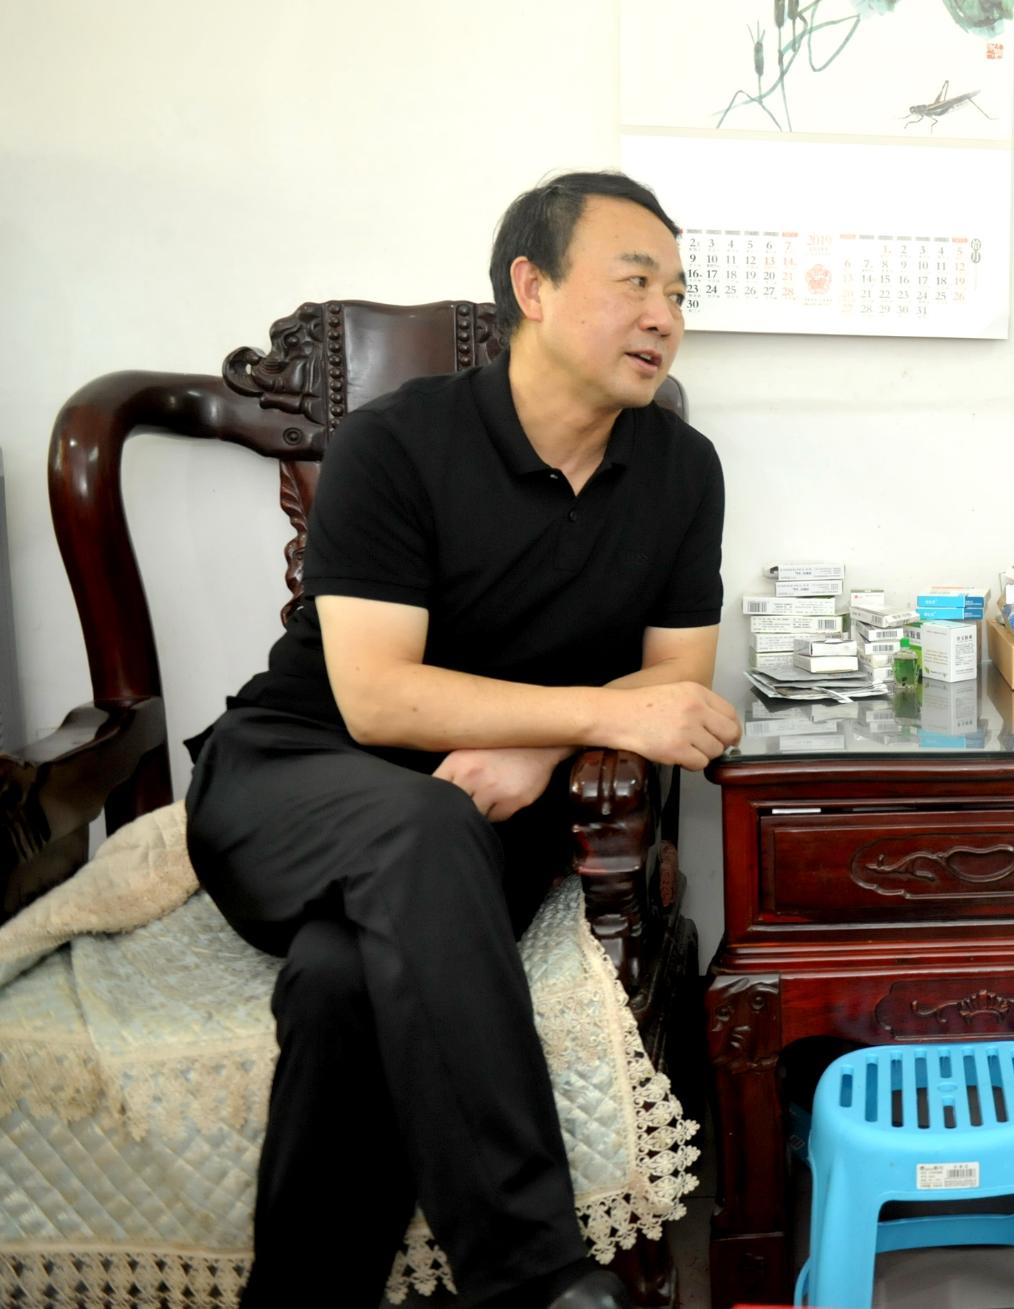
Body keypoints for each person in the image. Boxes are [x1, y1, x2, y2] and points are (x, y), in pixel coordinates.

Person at [185, 170, 741, 1309]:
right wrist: (588, 715)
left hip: (485, 811)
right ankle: (534, 1276)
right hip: (294, 777)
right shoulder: (397, 443)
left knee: (343, 980)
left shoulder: (682, 470)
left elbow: (676, 683)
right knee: (421, 824)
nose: (665, 317)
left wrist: (540, 750)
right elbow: (379, 699)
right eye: (636, 283)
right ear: (531, 287)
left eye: (679, 294)